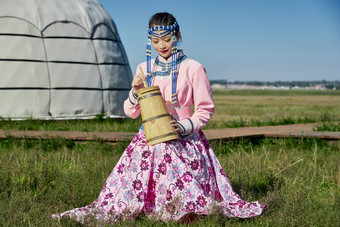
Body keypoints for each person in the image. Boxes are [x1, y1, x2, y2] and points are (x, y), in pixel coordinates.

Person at [52, 12, 265, 224]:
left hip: (184, 138)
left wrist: (182, 127)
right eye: (155, 41)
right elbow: (130, 112)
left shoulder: (193, 68)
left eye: (166, 39)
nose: (161, 45)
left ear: (177, 36)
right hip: (149, 138)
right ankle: (147, 206)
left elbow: (205, 109)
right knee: (120, 198)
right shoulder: (145, 69)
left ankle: (182, 207)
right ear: (149, 40)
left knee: (171, 162)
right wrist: (136, 91)